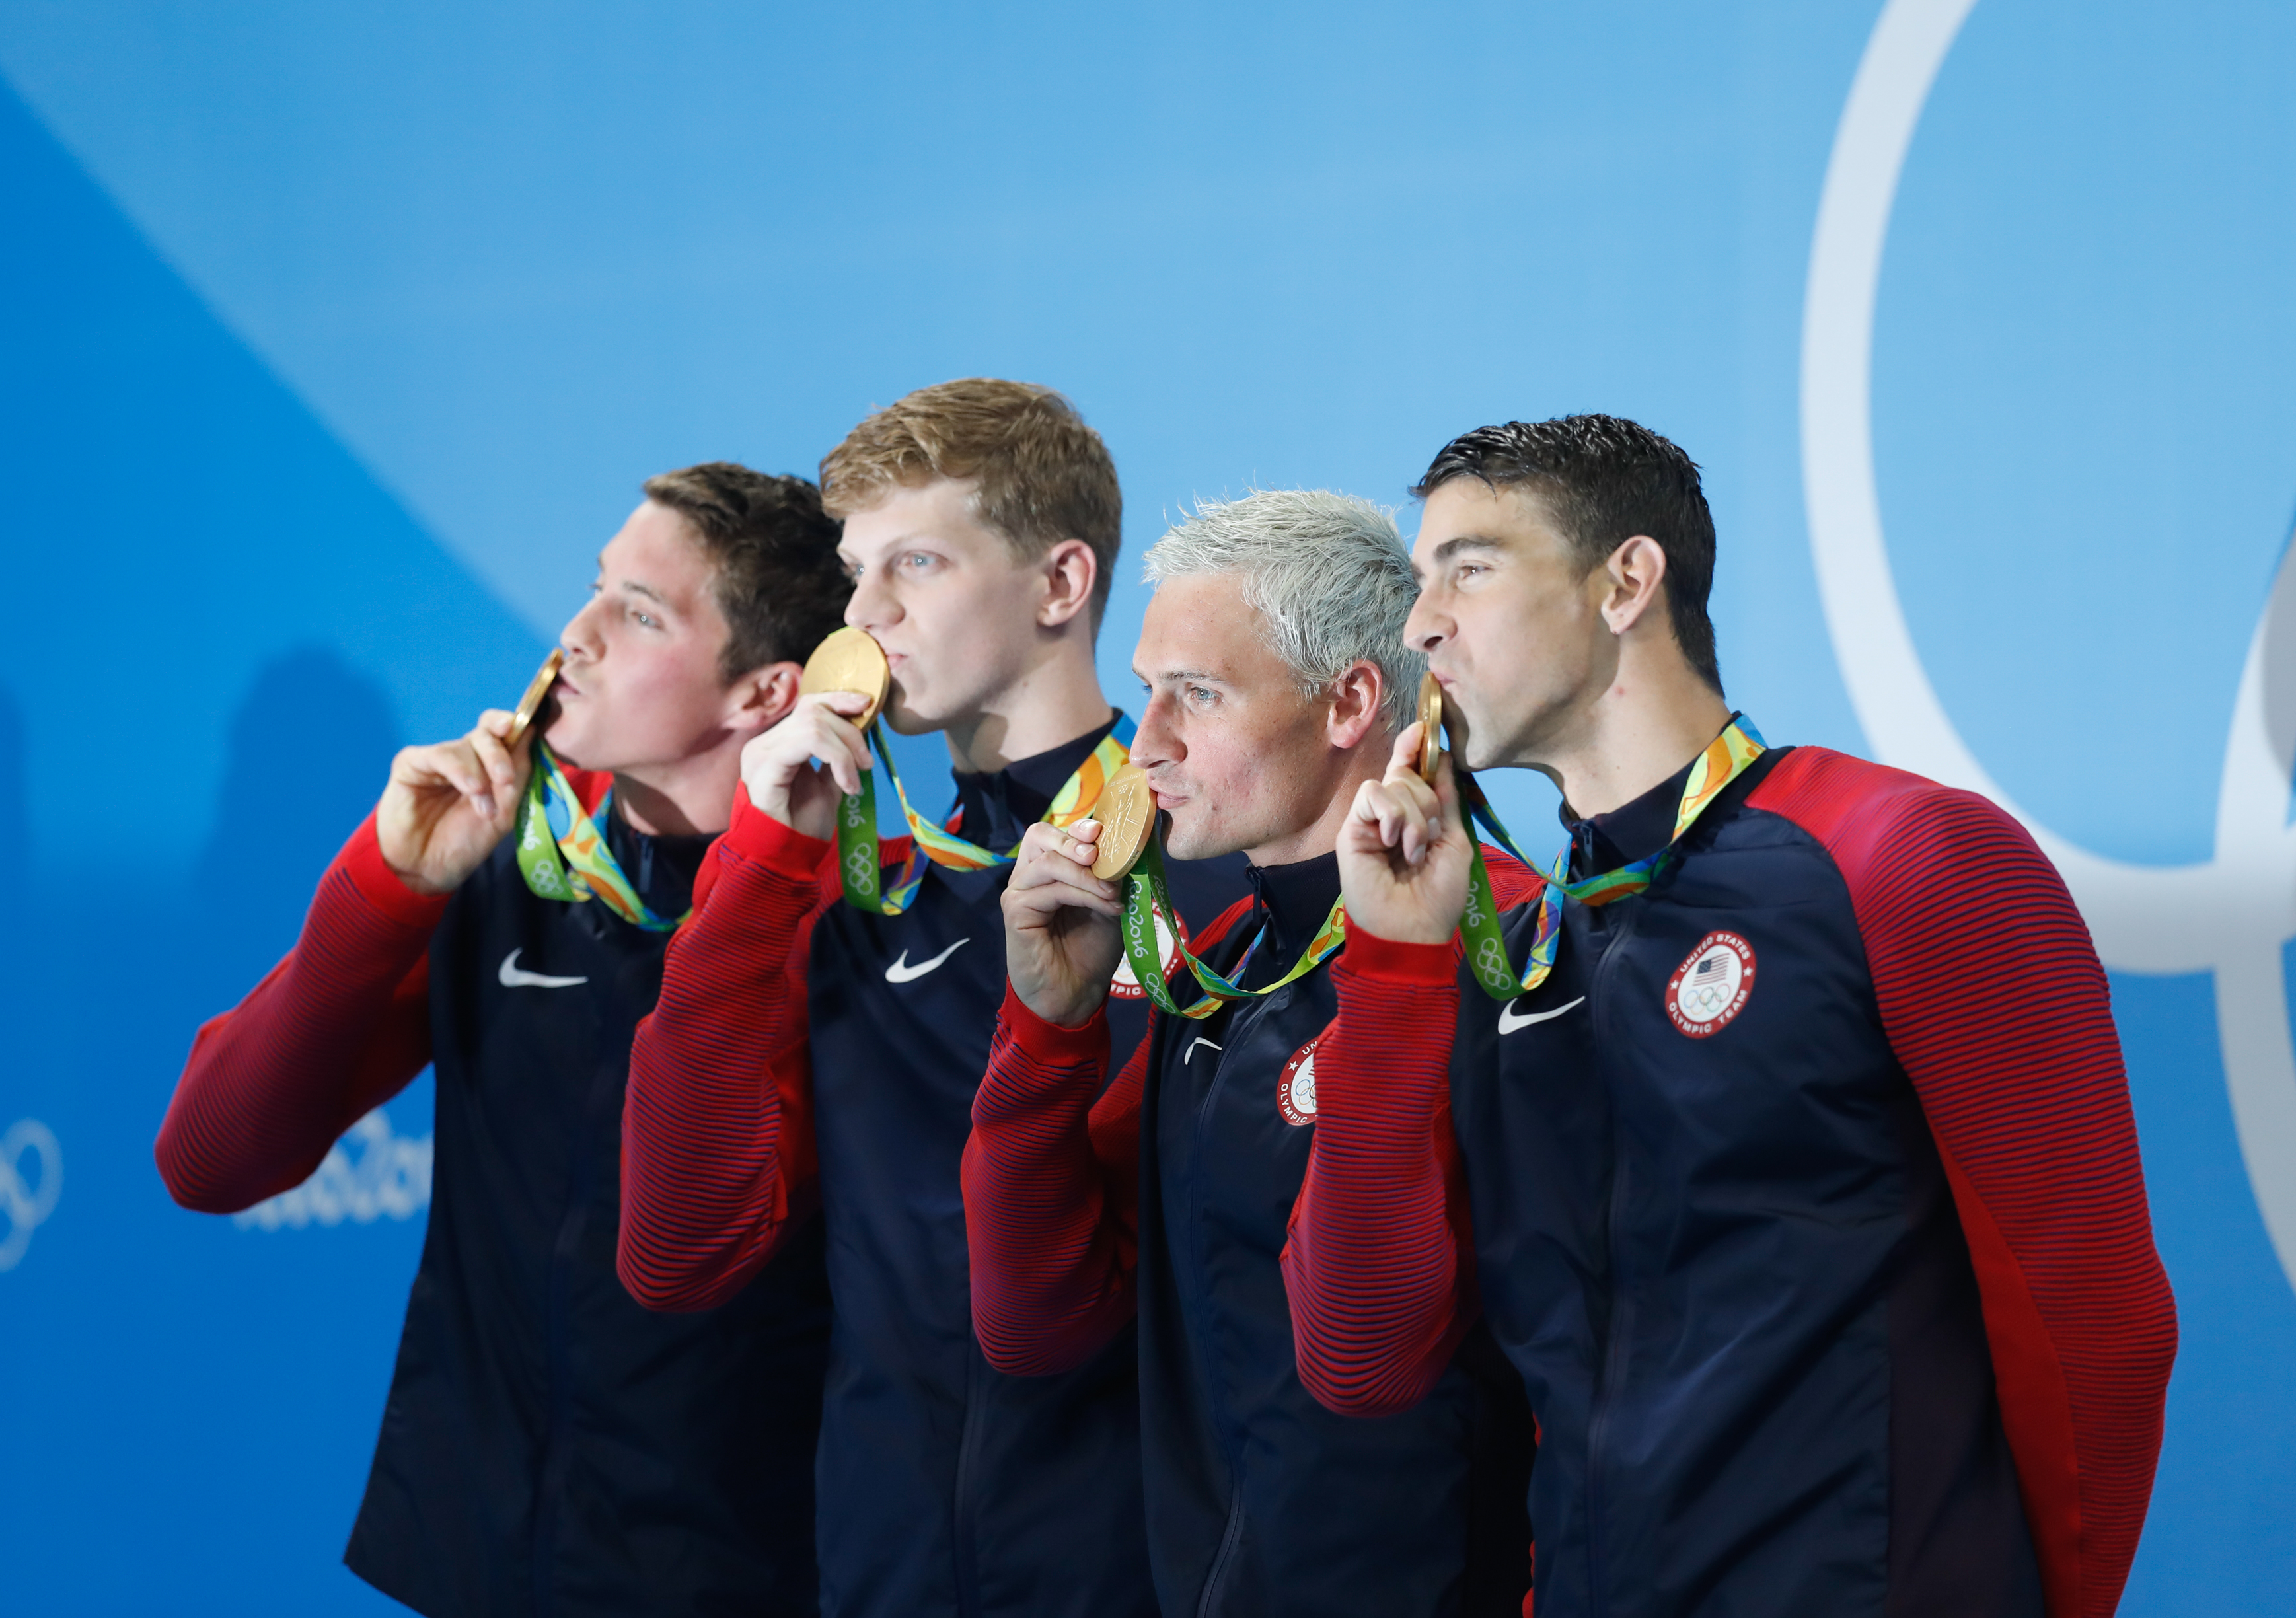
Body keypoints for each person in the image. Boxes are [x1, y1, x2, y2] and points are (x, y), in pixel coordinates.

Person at [1284, 415, 2178, 1618]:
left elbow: (2095, 1324)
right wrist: (1390, 967)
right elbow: (1359, 1357)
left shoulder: (1902, 857)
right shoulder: (1522, 945)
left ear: (1625, 582)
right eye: (1419, 577)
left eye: (1469, 567)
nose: (1419, 622)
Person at [157, 463, 850, 1618]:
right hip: (470, 1553)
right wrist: (381, 887)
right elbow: (208, 1160)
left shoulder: (848, 923)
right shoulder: (512, 860)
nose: (572, 635)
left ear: (763, 693)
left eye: (639, 613)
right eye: (594, 589)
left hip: (733, 1569)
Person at [618, 379, 1245, 1618]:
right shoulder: (851, 899)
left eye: (915, 563)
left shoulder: (1217, 874)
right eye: (857, 574)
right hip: (880, 1579)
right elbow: (675, 1253)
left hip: (1142, 1577)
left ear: (1060, 585)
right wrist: (751, 869)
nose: (866, 616)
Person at [962, 490, 1536, 1616]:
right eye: (1147, 693)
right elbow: (1036, 1321)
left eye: (1199, 695)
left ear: (1349, 702)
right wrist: (1047, 1030)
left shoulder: (1504, 949)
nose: (1147, 746)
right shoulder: (1222, 970)